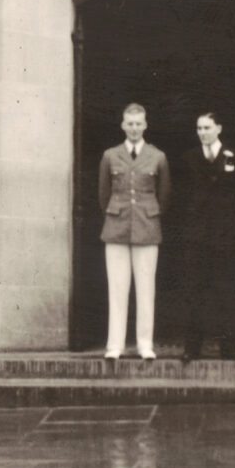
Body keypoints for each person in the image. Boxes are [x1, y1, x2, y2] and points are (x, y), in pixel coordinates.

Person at [98, 103, 171, 360]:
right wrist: (117, 212)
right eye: (130, 123)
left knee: (145, 288)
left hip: (147, 226)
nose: (134, 128)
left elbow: (164, 194)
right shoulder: (110, 155)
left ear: (146, 125)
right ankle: (115, 346)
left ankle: (144, 345)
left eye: (139, 123)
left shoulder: (157, 156)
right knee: (117, 289)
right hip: (116, 227)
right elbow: (103, 194)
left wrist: (149, 213)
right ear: (122, 125)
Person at [181, 112, 235, 362]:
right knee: (194, 293)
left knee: (226, 292)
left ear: (218, 128)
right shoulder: (189, 158)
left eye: (207, 127)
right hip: (197, 236)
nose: (202, 132)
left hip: (225, 237)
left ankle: (228, 349)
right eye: (199, 128)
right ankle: (192, 348)